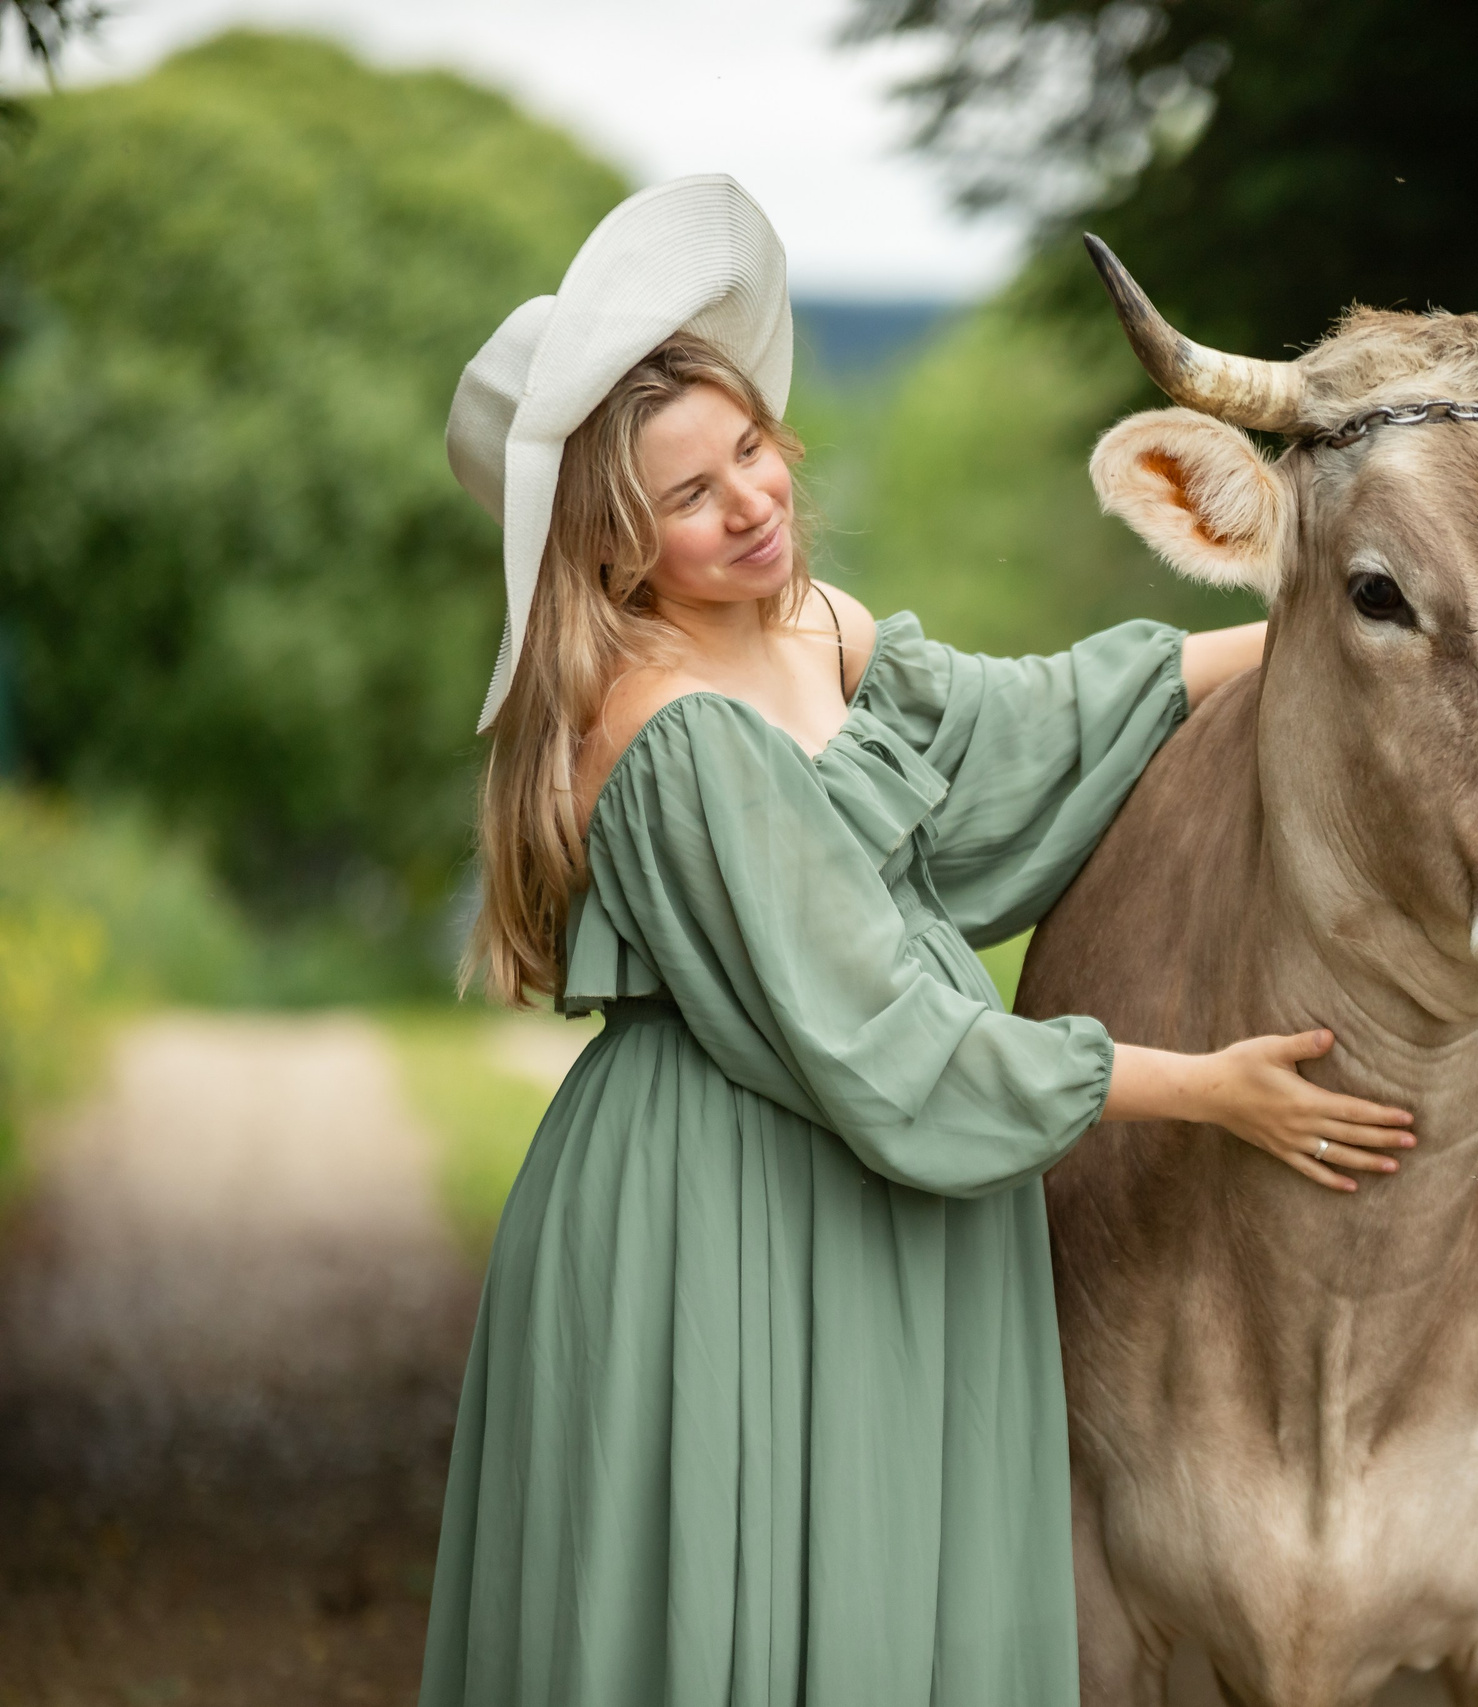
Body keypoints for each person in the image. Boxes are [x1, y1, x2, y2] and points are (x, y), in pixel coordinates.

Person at [420, 176, 1413, 1706]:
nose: (750, 502)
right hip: (721, 1208)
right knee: (726, 1613)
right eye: (687, 498)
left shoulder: (820, 626)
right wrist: (1207, 1089)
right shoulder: (670, 733)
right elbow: (892, 1046)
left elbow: (1028, 734)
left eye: (748, 451)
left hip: (877, 1196)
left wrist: (1334, 626)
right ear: (613, 551)